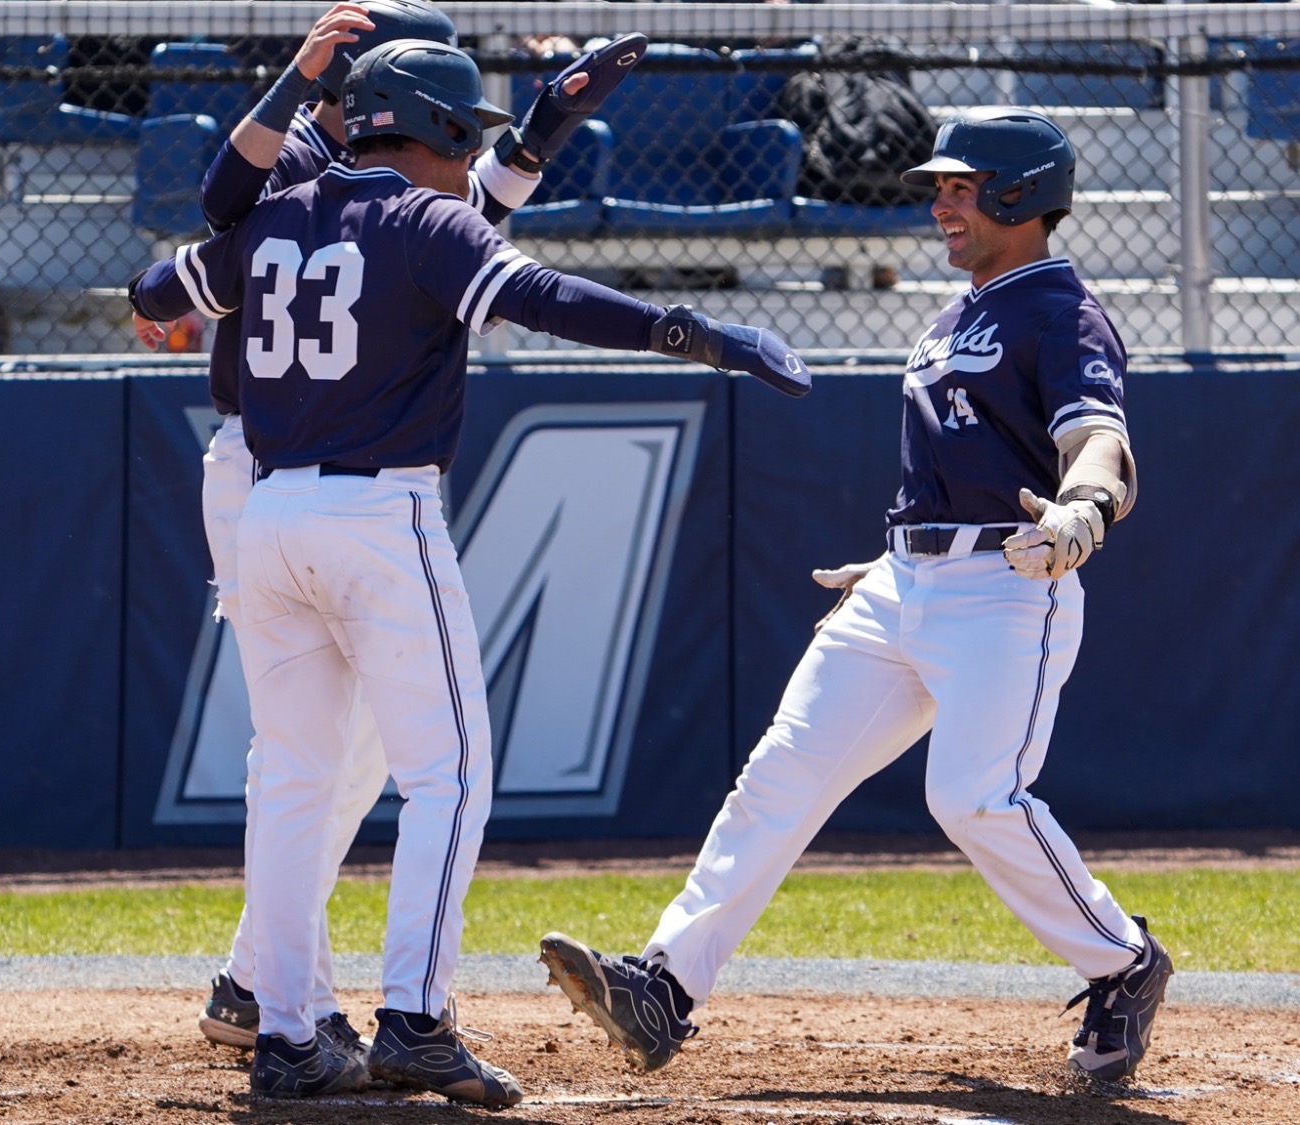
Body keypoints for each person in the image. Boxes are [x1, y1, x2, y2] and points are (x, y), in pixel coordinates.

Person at [129, 38, 808, 1103]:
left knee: (296, 781)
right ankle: (414, 1019)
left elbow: (157, 286)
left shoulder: (274, 215)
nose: (467, 160)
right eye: (465, 139)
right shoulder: (423, 217)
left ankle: (286, 1036)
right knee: (447, 775)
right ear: (438, 129)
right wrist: (692, 332)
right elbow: (543, 297)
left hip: (265, 515)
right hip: (375, 514)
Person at [536, 106, 1173, 1087]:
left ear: (1019, 194)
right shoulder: (952, 314)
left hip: (1009, 585)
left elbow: (1099, 439)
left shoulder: (1059, 308)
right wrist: (897, 561)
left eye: (960, 187)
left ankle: (1121, 962)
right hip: (903, 583)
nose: (938, 203)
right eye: (939, 187)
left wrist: (1084, 506)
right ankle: (662, 989)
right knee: (778, 775)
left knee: (970, 796)